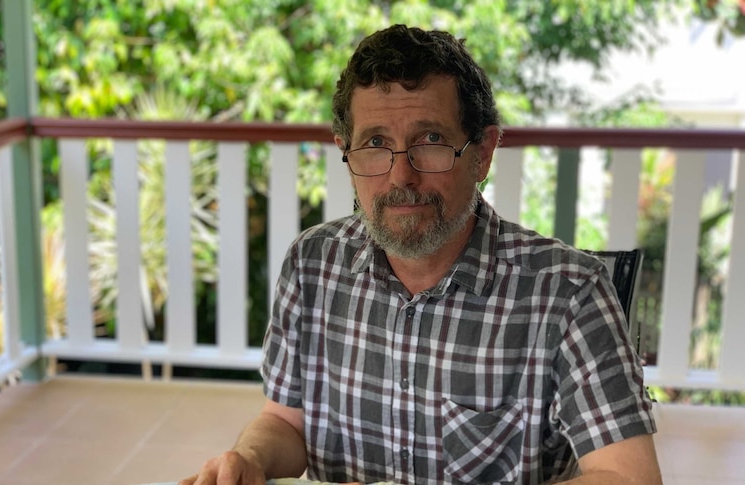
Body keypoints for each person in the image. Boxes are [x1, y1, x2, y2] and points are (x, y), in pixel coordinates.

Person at [181, 24, 661, 485]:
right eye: (375, 144)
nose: (400, 176)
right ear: (346, 154)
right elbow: (287, 422)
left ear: (483, 153)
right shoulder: (313, 264)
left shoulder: (568, 291)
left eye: (430, 141)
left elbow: (628, 476)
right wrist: (249, 458)